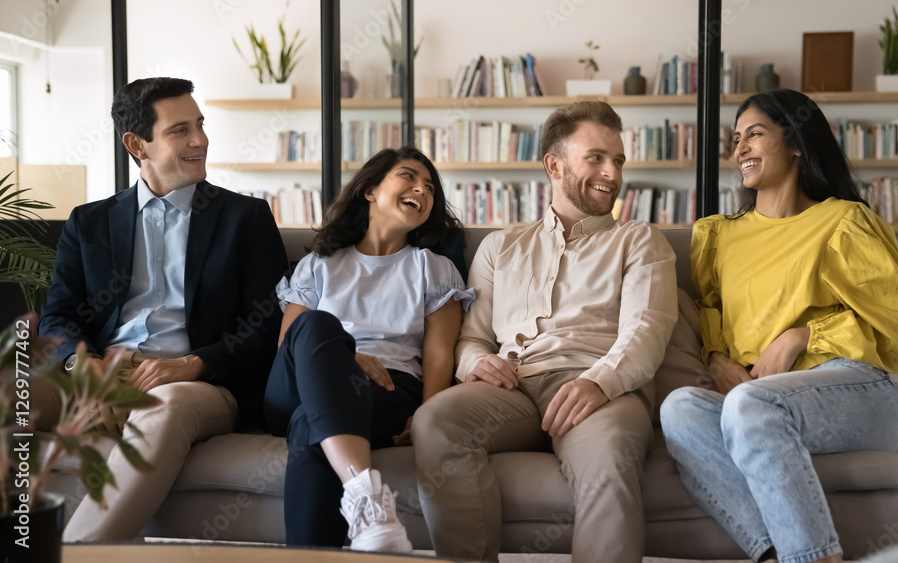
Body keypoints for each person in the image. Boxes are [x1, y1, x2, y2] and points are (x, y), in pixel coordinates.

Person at [659, 88, 898, 563]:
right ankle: (776, 554)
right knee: (679, 407)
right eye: (736, 137)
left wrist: (803, 335)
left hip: (858, 392)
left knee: (750, 403)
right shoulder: (721, 236)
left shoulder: (842, 222)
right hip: (754, 400)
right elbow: (712, 313)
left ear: (797, 143)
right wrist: (718, 360)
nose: (740, 147)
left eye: (755, 134)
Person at [412, 100, 679, 563]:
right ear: (554, 165)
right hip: (513, 387)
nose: (611, 173)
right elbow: (472, 337)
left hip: (601, 389)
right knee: (435, 420)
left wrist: (599, 381)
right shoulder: (500, 247)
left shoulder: (638, 240)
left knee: (611, 454)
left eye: (617, 161)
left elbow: (646, 331)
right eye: (595, 157)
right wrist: (477, 361)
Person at [38, 77, 289, 541]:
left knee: (165, 403)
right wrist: (83, 367)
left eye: (200, 125)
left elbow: (268, 324)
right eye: (180, 130)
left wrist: (194, 363)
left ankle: (79, 553)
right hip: (102, 370)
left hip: (197, 380)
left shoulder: (245, 219)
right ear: (137, 144)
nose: (200, 140)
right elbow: (57, 319)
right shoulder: (88, 222)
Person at [262, 147, 474, 553]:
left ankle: (366, 506)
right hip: (301, 381)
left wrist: (426, 415)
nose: (421, 190)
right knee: (317, 323)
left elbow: (438, 356)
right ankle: (365, 493)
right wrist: (345, 356)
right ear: (370, 191)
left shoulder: (433, 267)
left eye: (430, 187)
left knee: (312, 425)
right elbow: (288, 342)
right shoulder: (319, 263)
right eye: (408, 177)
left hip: (388, 389)